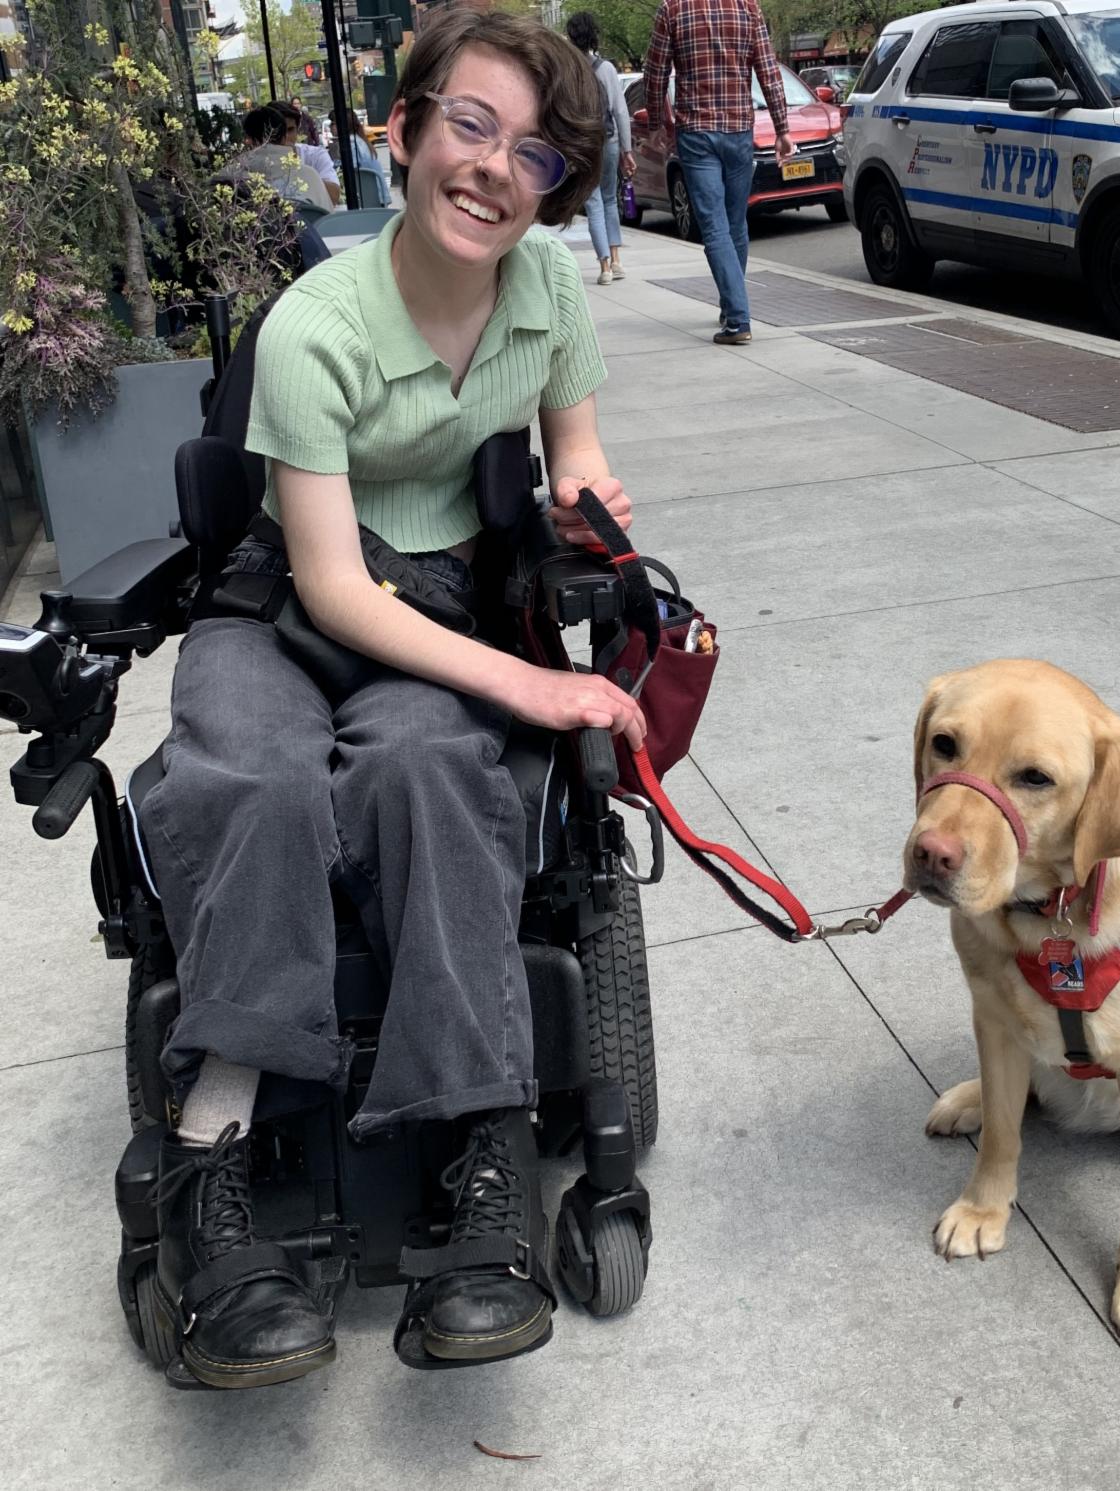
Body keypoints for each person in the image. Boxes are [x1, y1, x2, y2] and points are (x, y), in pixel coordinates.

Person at [139, 7, 645, 1390]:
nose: (492, 167)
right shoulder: (316, 325)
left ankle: (480, 1143)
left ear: (557, 182)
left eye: (532, 151)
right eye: (468, 127)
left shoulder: (548, 293)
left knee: (431, 769)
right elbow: (333, 588)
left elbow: (579, 450)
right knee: (251, 777)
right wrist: (533, 680)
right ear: (406, 129)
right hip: (291, 606)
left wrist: (599, 527)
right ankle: (214, 1155)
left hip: (447, 598)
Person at [644, 0, 793, 345]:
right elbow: (768, 71)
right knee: (735, 221)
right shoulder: (747, 7)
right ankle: (731, 306)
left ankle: (738, 319)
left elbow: (656, 73)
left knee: (714, 226)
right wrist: (782, 129)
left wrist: (654, 122)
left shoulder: (673, 9)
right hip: (739, 129)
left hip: (696, 131)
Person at [565, 11, 635, 285]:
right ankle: (617, 260)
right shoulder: (606, 69)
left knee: (593, 202)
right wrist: (627, 151)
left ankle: (604, 265)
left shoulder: (570, 70)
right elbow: (620, 111)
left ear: (572, 37)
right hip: (610, 142)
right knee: (609, 200)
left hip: (585, 143)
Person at [219, 104, 334, 213]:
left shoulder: (227, 178)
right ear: (284, 137)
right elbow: (327, 221)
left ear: (247, 139)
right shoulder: (309, 176)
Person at [270, 100, 343, 207]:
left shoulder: (315, 155)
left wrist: (302, 173)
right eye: (278, 132)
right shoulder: (258, 162)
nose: (285, 137)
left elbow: (333, 197)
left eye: (290, 130)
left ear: (297, 129)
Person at [331, 106, 392, 208]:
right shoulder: (359, 140)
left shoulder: (350, 143)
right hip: (378, 196)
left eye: (333, 123)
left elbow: (351, 171)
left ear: (343, 124)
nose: (330, 127)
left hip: (368, 199)